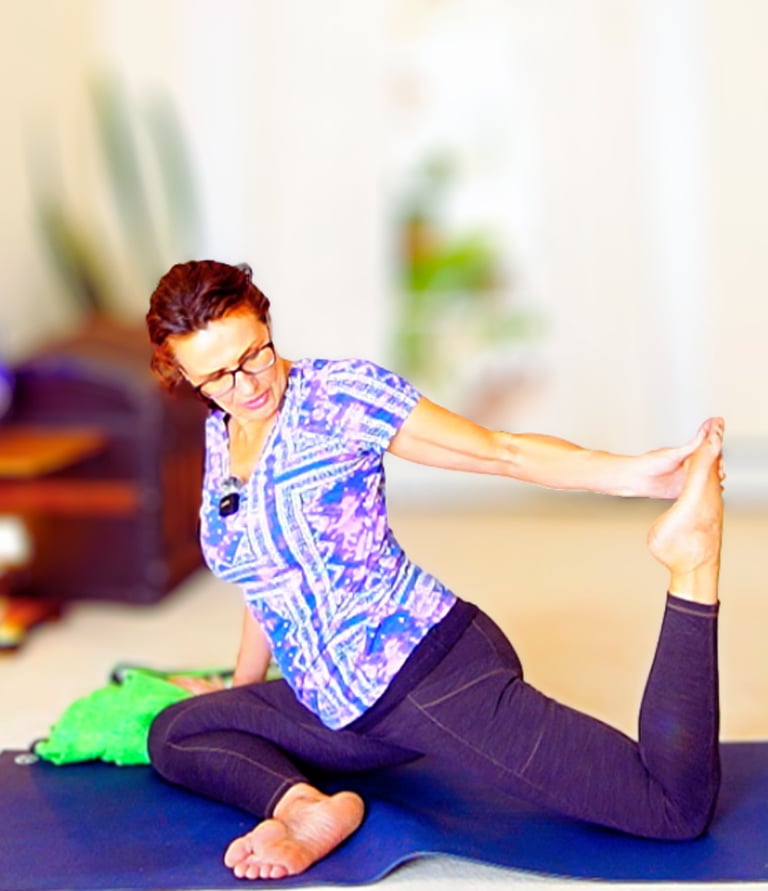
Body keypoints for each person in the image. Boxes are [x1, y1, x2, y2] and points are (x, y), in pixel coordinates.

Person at [145, 259, 725, 882]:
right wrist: (243, 689)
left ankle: (694, 559)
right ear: (185, 376)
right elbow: (264, 575)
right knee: (177, 731)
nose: (247, 385)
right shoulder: (220, 433)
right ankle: (308, 807)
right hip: (339, 708)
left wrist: (639, 475)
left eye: (254, 354)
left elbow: (500, 452)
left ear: (264, 321)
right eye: (218, 377)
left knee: (672, 808)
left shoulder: (339, 397)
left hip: (426, 672)